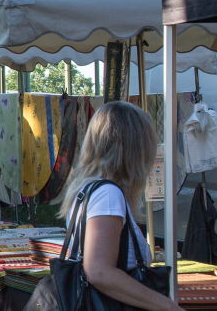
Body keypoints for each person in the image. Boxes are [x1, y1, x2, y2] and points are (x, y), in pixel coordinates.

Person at [58, 102, 182, 311]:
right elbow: (99, 271)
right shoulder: (108, 194)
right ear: (135, 149)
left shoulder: (89, 189)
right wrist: (168, 306)